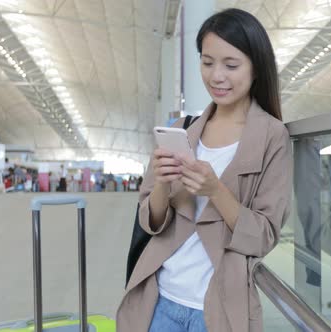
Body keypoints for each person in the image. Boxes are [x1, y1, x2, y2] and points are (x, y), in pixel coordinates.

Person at [117, 8, 292, 332]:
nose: (216, 76)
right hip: (159, 301)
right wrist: (161, 186)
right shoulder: (182, 129)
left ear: (256, 67)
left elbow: (264, 236)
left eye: (231, 64)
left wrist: (216, 191)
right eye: (207, 62)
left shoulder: (272, 137)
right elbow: (149, 221)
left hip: (216, 311)